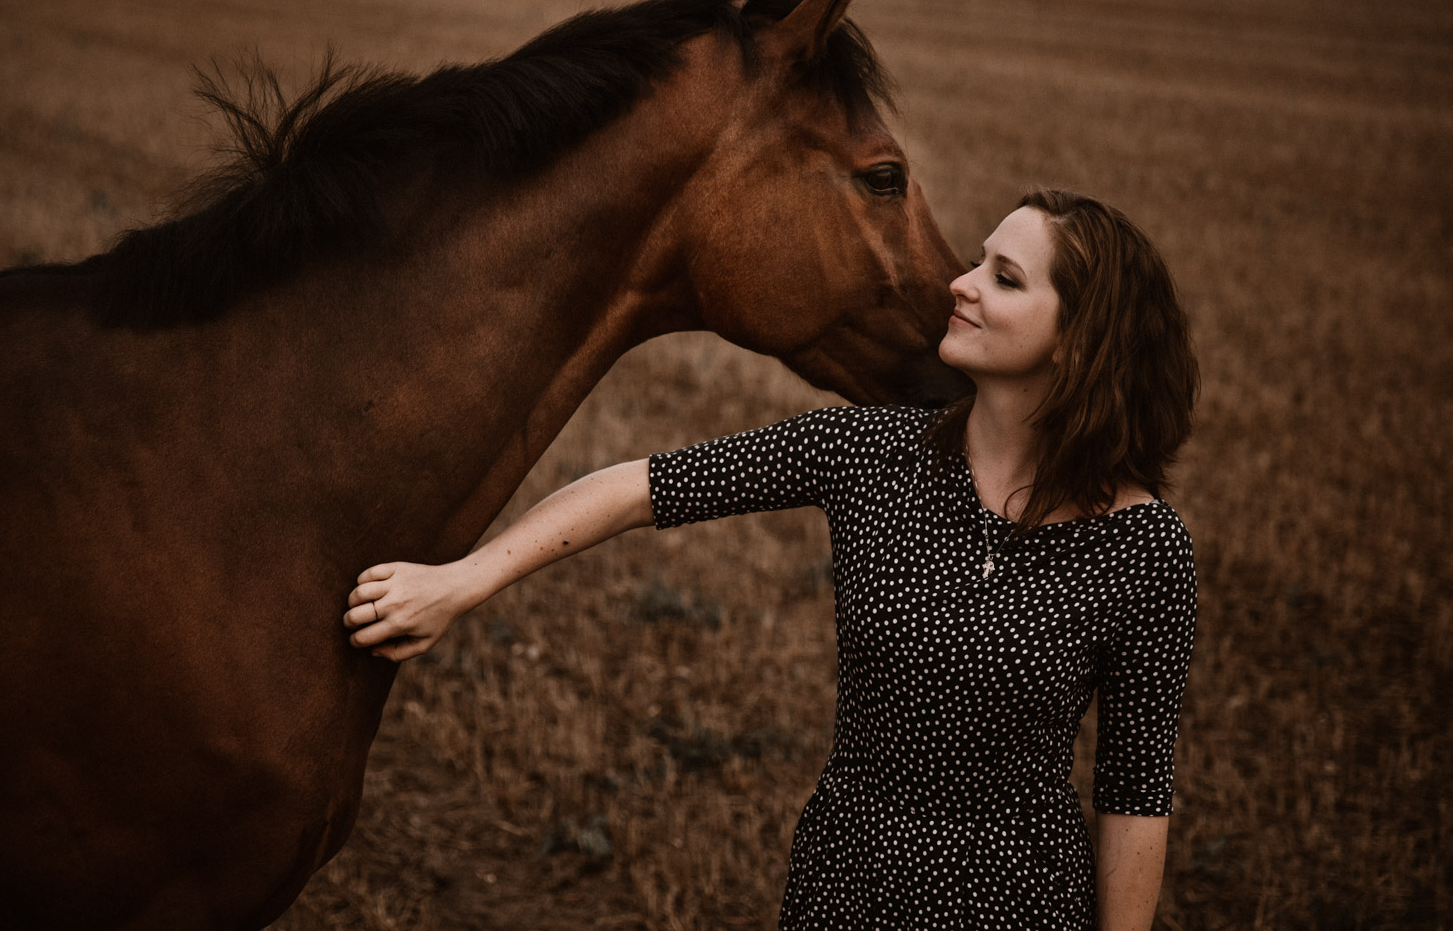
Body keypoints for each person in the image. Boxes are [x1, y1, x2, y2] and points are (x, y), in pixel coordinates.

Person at [343, 188, 1200, 930]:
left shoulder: (1147, 551)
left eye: (1004, 279)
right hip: (845, 888)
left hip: (1019, 905)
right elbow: (641, 489)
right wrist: (461, 581)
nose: (960, 286)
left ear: (1079, 343)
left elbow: (1134, 794)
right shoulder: (869, 454)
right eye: (980, 263)